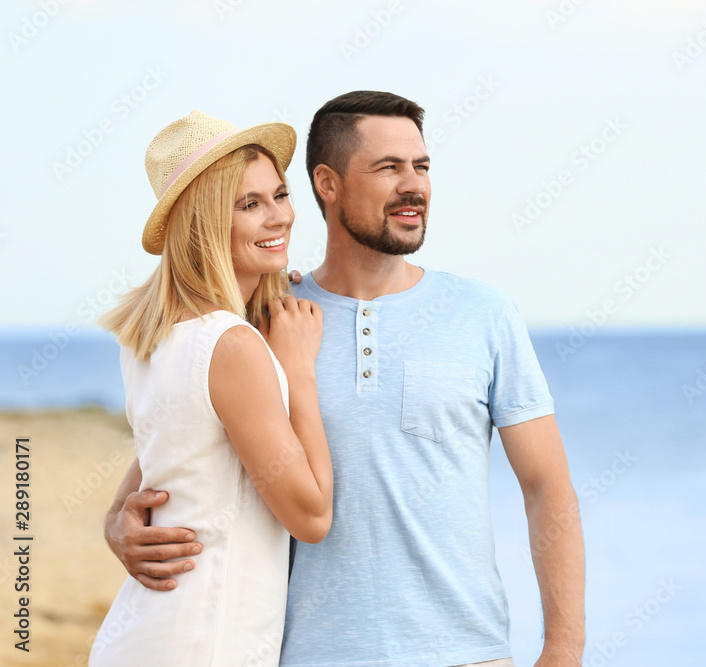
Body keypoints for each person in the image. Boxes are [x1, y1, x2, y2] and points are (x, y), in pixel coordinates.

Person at [105, 93, 585, 667]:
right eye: (388, 168)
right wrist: (117, 523)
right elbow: (175, 453)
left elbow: (547, 487)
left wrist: (563, 648)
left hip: (466, 654)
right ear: (327, 184)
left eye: (422, 166)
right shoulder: (267, 322)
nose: (414, 185)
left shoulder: (484, 314)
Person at [91, 111, 334, 666]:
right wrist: (296, 368)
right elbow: (312, 516)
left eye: (279, 194)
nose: (281, 217)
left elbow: (175, 451)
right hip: (204, 644)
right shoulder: (232, 345)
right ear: (204, 223)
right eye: (250, 205)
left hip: (148, 635)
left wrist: (113, 518)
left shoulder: (149, 338)